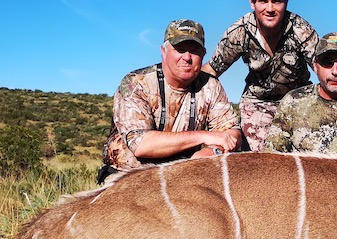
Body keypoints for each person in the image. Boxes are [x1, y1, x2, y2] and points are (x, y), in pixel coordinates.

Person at [100, 19, 242, 181]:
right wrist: (204, 136)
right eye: (180, 50)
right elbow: (141, 145)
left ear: (203, 54)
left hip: (183, 173)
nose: (187, 57)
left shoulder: (211, 85)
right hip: (131, 177)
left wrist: (211, 151)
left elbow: (232, 133)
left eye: (194, 51)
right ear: (163, 51)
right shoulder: (136, 83)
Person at [202, 0, 319, 152]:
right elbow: (212, 69)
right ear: (252, 2)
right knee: (259, 160)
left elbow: (324, 69)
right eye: (263, 1)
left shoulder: (300, 29)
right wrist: (182, 86)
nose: (269, 8)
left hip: (299, 100)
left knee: (313, 151)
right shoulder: (239, 32)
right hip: (257, 102)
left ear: (286, 2)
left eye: (276, 1)